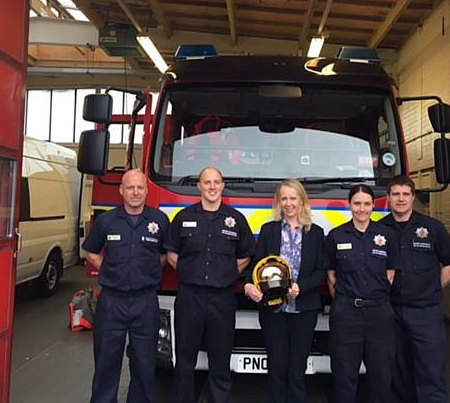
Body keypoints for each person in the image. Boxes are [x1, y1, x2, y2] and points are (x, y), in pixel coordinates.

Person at [165, 167, 255, 403]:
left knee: (220, 358)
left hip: (222, 298)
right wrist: (188, 272)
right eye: (207, 182)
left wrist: (226, 275)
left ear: (222, 186)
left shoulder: (235, 219)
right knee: (185, 358)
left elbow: (245, 255)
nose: (212, 187)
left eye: (216, 182)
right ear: (199, 186)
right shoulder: (183, 218)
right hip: (189, 297)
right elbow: (172, 253)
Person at [82, 169, 169, 403]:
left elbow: (165, 255)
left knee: (144, 362)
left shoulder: (159, 221)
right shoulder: (106, 221)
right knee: (106, 362)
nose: (135, 192)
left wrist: (147, 270)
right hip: (112, 301)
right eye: (130, 187)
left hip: (145, 301)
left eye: (140, 188)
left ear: (147, 191)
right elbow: (90, 250)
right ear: (121, 190)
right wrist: (109, 269)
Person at [243, 179, 325, 403]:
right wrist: (250, 286)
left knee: (297, 368)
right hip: (273, 310)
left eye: (293, 198)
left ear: (302, 201)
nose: (289, 204)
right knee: (277, 367)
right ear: (278, 202)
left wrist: (302, 287)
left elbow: (321, 272)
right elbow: (256, 267)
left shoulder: (316, 233)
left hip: (303, 310)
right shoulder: (268, 230)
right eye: (284, 198)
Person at [380, 175, 450, 403]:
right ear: (388, 198)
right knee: (397, 373)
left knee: (430, 372)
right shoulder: (379, 230)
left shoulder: (433, 228)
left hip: (425, 312)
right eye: (396, 194)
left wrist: (431, 289)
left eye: (406, 194)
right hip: (391, 312)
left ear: (413, 197)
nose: (401, 199)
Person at [324, 184, 397, 403]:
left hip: (379, 313)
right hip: (347, 313)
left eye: (366, 204)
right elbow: (330, 274)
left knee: (381, 375)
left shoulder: (387, 235)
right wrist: (344, 300)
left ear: (374, 205)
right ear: (349, 205)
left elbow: (390, 272)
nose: (362, 209)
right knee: (344, 374)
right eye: (357, 203)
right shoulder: (336, 236)